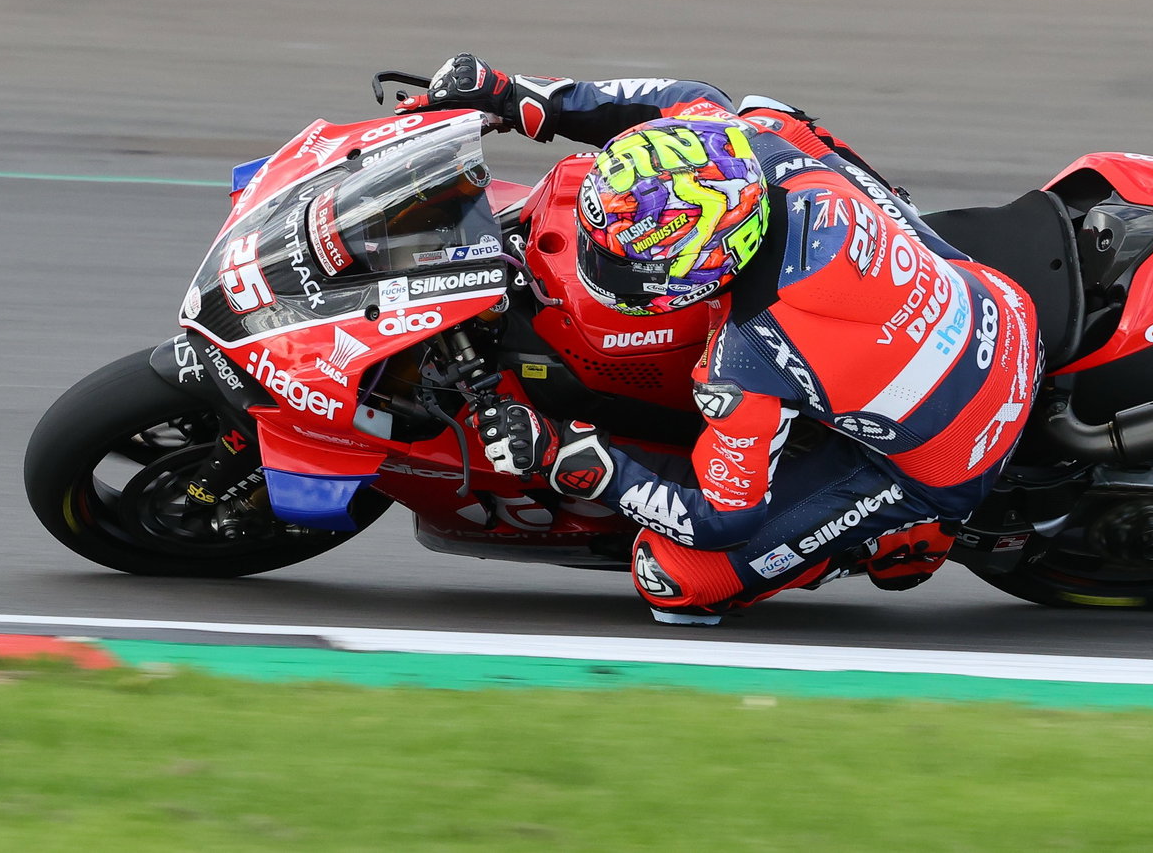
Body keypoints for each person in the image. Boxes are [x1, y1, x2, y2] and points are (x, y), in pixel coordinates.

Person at [409, 54, 1040, 625]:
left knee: (673, 577)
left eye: (628, 264)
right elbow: (682, 97)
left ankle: (892, 533)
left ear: (711, 256)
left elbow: (721, 518)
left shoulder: (750, 362)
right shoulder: (753, 144)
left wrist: (578, 465)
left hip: (949, 449)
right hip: (995, 301)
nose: (599, 270)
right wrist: (523, 95)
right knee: (786, 118)